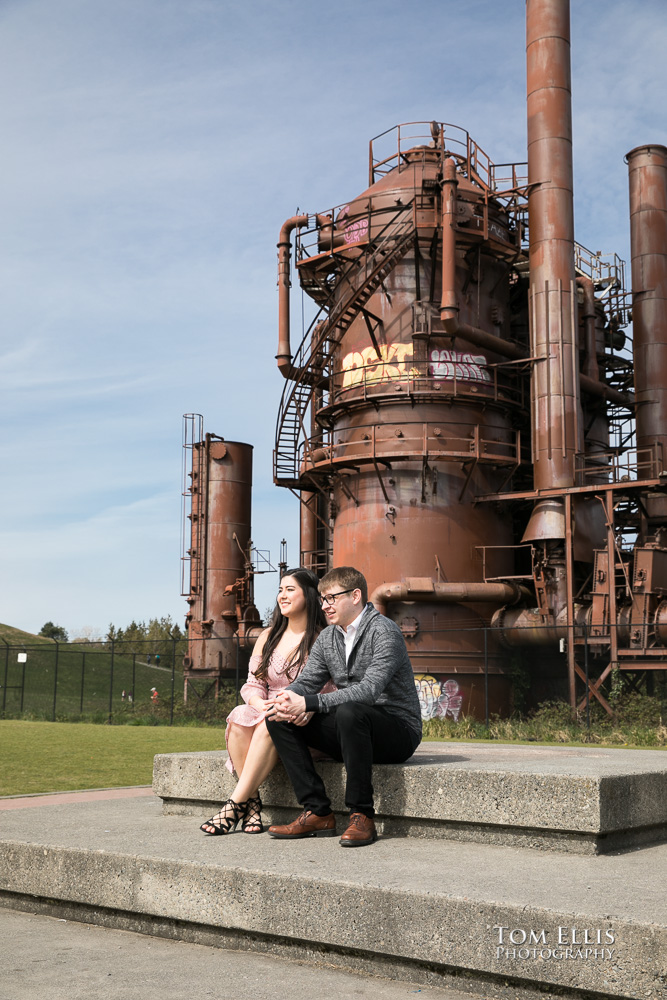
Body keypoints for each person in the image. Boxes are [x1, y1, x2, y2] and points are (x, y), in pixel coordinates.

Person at [265, 566, 422, 847]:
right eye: (322, 599)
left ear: (356, 596)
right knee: (279, 717)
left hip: (396, 731)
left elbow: (369, 690)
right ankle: (317, 812)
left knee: (351, 710)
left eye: (331, 598)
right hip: (352, 729)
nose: (324, 606)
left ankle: (361, 815)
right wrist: (288, 698)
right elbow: (308, 681)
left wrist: (311, 703)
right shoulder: (328, 637)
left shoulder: (385, 632)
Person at [200, 567, 327, 836]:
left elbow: (331, 688)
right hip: (267, 710)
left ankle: (234, 805)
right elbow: (252, 685)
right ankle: (253, 802)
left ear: (310, 595)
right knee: (238, 715)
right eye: (280, 590)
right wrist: (260, 704)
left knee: (272, 722)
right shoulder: (268, 636)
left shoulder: (322, 639)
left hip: (300, 719)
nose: (282, 595)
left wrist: (309, 707)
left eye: (290, 589)